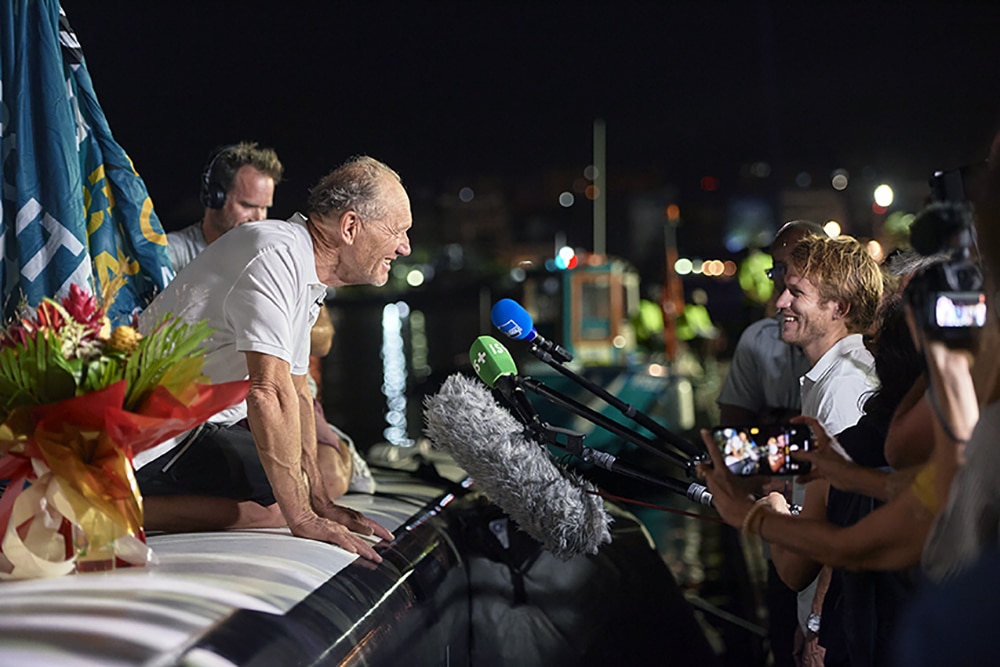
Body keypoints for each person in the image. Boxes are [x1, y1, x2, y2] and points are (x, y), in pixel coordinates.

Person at [135, 155, 410, 563]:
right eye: (397, 231)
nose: (404, 246)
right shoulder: (274, 255)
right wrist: (302, 517)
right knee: (281, 501)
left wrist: (320, 503)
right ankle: (114, 507)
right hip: (153, 434)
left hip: (192, 424)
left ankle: (120, 502)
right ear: (350, 227)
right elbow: (268, 395)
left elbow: (296, 391)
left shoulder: (300, 265)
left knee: (310, 483)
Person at [717, 220, 827, 426]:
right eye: (779, 269)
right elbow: (734, 428)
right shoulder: (758, 339)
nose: (787, 279)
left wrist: (774, 418)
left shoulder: (857, 341)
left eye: (799, 265)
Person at [167, 141, 283, 272]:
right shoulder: (171, 253)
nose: (259, 218)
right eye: (247, 206)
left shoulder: (267, 260)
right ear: (215, 198)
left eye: (263, 208)